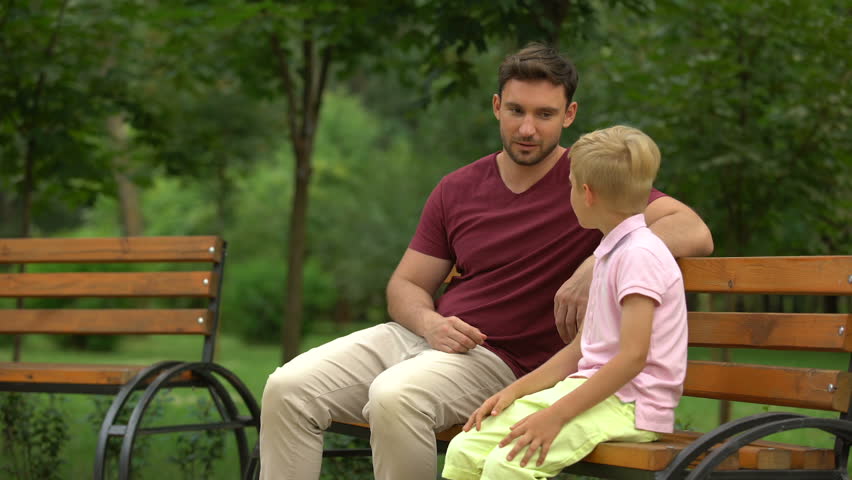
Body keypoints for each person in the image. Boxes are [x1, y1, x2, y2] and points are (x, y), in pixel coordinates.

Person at [259, 43, 713, 480]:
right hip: (426, 337)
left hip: (501, 358)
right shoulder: (457, 188)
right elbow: (405, 285)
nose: (527, 129)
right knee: (288, 388)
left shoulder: (591, 180)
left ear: (569, 115)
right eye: (517, 111)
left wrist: (596, 261)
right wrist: (430, 323)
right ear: (497, 106)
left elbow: (692, 231)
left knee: (396, 397)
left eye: (545, 114)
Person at [441, 125, 687, 480]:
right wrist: (511, 393)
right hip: (588, 390)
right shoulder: (609, 252)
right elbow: (580, 351)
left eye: (570, 185)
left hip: (631, 406)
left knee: (509, 464)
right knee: (467, 448)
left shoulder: (640, 256)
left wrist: (554, 416)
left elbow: (633, 358)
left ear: (586, 193)